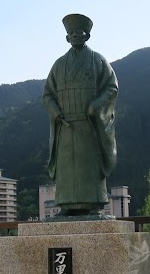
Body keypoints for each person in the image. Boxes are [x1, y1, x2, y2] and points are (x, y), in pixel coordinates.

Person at [43, 13, 118, 219]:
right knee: (67, 168)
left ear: (87, 36)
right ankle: (67, 204)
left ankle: (92, 204)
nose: (76, 35)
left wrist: (96, 106)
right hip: (66, 126)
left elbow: (112, 87)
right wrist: (56, 112)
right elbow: (48, 93)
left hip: (90, 125)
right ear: (67, 38)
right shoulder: (59, 65)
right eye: (72, 33)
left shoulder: (98, 61)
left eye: (80, 32)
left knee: (89, 165)